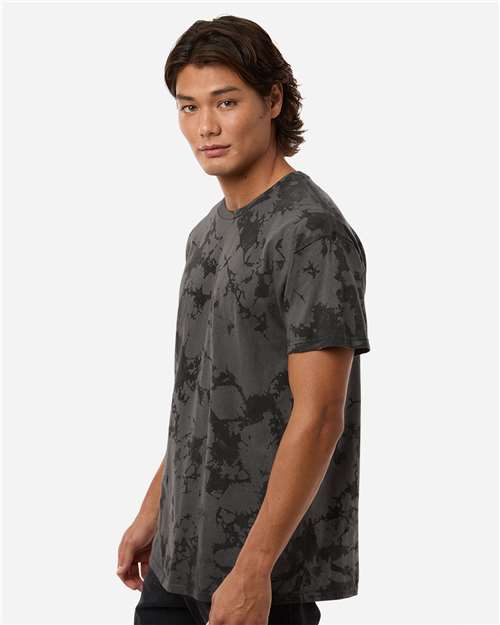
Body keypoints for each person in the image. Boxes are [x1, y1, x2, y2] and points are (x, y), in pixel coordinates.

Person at [117, 14, 371, 625]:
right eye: (188, 107)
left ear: (273, 101)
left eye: (226, 102)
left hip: (258, 575)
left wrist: (254, 569)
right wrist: (154, 509)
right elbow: (201, 397)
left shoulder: (310, 233)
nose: (205, 126)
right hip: (178, 558)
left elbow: (320, 416)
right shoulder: (206, 234)